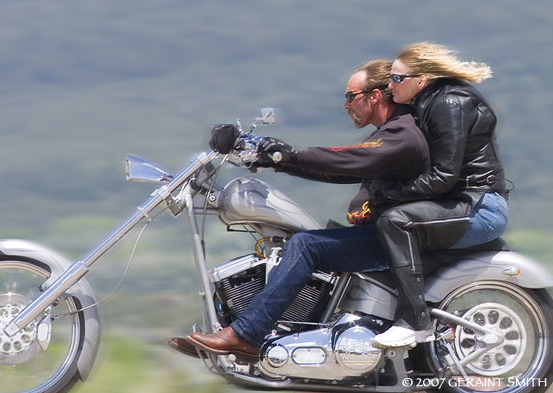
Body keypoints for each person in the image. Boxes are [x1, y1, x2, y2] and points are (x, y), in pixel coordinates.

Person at [170, 58, 430, 357]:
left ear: (374, 96)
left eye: (350, 97)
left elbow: (348, 159)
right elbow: (339, 170)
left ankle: (247, 334)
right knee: (297, 239)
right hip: (383, 234)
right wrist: (277, 162)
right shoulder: (390, 133)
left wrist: (288, 156)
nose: (346, 106)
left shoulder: (402, 134)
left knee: (307, 246)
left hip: (392, 241)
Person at [369, 43, 509, 349]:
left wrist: (389, 195)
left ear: (421, 80)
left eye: (396, 79)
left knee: (396, 222)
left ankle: (414, 324)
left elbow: (444, 176)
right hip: (456, 204)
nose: (389, 85)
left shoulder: (449, 103)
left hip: (479, 206)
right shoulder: (424, 102)